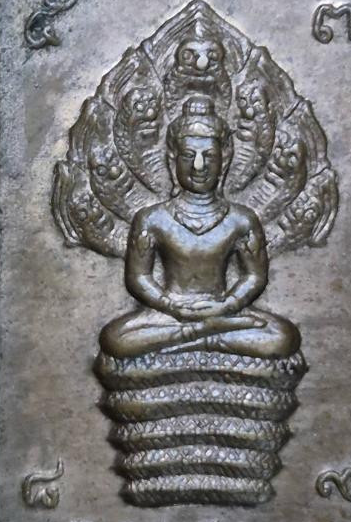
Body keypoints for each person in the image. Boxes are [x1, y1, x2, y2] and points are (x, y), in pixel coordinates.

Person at [100, 95, 300, 359]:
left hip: (222, 308)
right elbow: (139, 278)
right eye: (188, 156)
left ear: (224, 161)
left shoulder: (242, 219)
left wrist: (227, 305)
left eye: (209, 156)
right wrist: (171, 306)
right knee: (114, 339)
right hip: (169, 314)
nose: (198, 166)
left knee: (284, 337)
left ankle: (193, 337)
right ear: (172, 159)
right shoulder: (151, 219)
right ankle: (208, 334)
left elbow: (254, 277)